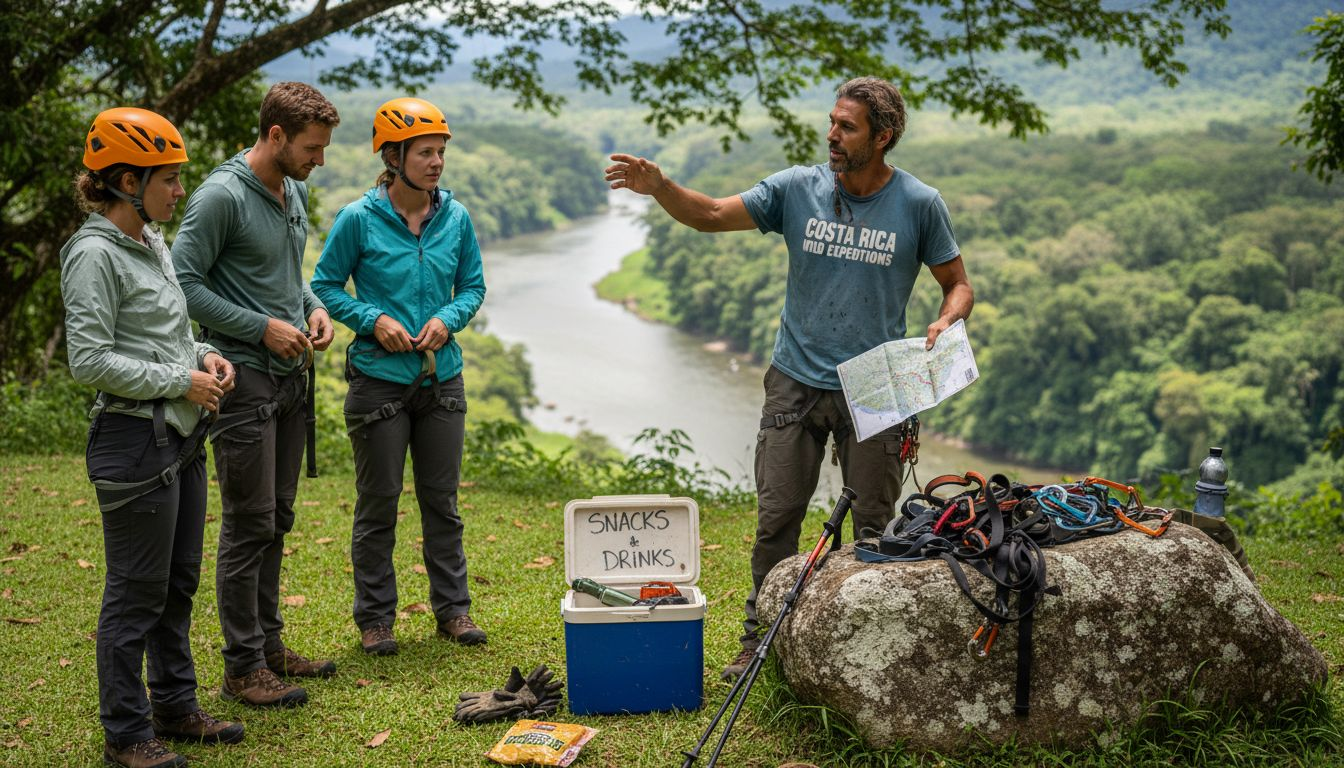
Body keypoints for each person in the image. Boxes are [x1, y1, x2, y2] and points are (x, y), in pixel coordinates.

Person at [605, 77, 975, 679]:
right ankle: (759, 639)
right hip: (795, 380)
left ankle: (865, 650)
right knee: (778, 519)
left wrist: (946, 320)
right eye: (831, 121)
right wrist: (660, 187)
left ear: (882, 138)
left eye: (847, 127)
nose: (832, 135)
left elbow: (958, 283)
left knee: (874, 528)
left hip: (879, 384)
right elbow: (710, 215)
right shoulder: (796, 188)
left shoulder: (918, 203)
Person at [62, 107, 243, 767]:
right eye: (168, 179)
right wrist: (179, 379)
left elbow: (163, 338)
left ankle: (175, 705)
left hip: (181, 437)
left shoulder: (150, 242)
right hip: (133, 442)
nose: (177, 191)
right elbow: (89, 361)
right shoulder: (91, 254)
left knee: (178, 583)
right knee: (136, 591)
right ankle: (127, 734)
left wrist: (204, 356)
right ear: (127, 180)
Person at [173, 82, 339, 708]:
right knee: (248, 524)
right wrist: (259, 327)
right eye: (311, 149)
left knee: (278, 518)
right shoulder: (220, 197)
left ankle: (269, 644)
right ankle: (242, 668)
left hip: (290, 380)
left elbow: (286, 276)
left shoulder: (291, 187)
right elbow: (183, 284)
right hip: (241, 381)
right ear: (275, 136)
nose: (317, 160)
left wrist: (313, 307)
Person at [311, 96, 487, 655]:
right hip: (378, 380)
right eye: (424, 152)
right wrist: (372, 318)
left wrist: (446, 319)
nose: (436, 162)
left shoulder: (455, 218)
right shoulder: (357, 219)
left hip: (441, 378)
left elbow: (474, 288)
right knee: (378, 501)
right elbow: (324, 286)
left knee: (442, 502)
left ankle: (453, 611)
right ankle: (376, 619)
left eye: (440, 151)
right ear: (393, 155)